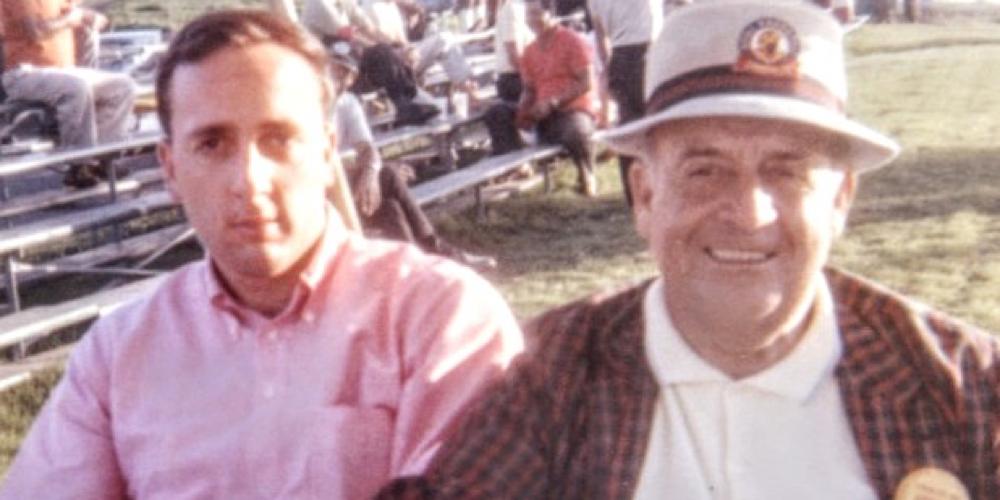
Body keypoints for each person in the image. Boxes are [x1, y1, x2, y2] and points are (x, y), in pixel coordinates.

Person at [376, 2, 1000, 499]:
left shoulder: (960, 382)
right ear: (644, 196)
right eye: (705, 170)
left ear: (840, 200)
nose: (749, 212)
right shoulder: (558, 374)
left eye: (787, 171)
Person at [0, 10, 522, 499]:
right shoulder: (118, 354)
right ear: (171, 169)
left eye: (278, 139)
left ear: (324, 152)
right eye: (211, 144)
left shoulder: (440, 318)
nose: (248, 181)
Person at [328, 46, 498, 270]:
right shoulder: (305, 101)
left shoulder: (347, 102)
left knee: (390, 207)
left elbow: (367, 148)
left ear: (352, 79)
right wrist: (377, 171)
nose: (338, 77)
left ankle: (419, 268)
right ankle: (436, 252)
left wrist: (370, 173)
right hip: (318, 190)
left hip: (342, 182)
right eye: (334, 69)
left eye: (345, 73)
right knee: (388, 175)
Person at [0, 0, 136, 188]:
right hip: (23, 73)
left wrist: (90, 18)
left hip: (63, 70)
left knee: (122, 86)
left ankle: (104, 158)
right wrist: (70, 19)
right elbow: (35, 31)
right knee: (76, 88)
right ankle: (78, 165)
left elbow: (74, 13)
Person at [484, 0, 599, 195]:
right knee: (497, 112)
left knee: (577, 129)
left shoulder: (572, 40)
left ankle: (587, 173)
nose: (531, 20)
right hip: (544, 112)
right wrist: (524, 110)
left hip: (571, 109)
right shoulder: (530, 51)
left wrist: (554, 102)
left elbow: (586, 81)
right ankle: (518, 166)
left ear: (551, 14)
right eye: (528, 15)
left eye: (537, 14)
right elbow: (529, 89)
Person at [588, 0, 661, 205]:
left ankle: (634, 197)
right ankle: (659, 190)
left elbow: (600, 36)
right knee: (656, 127)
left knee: (629, 128)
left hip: (619, 57)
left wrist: (608, 69)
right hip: (647, 51)